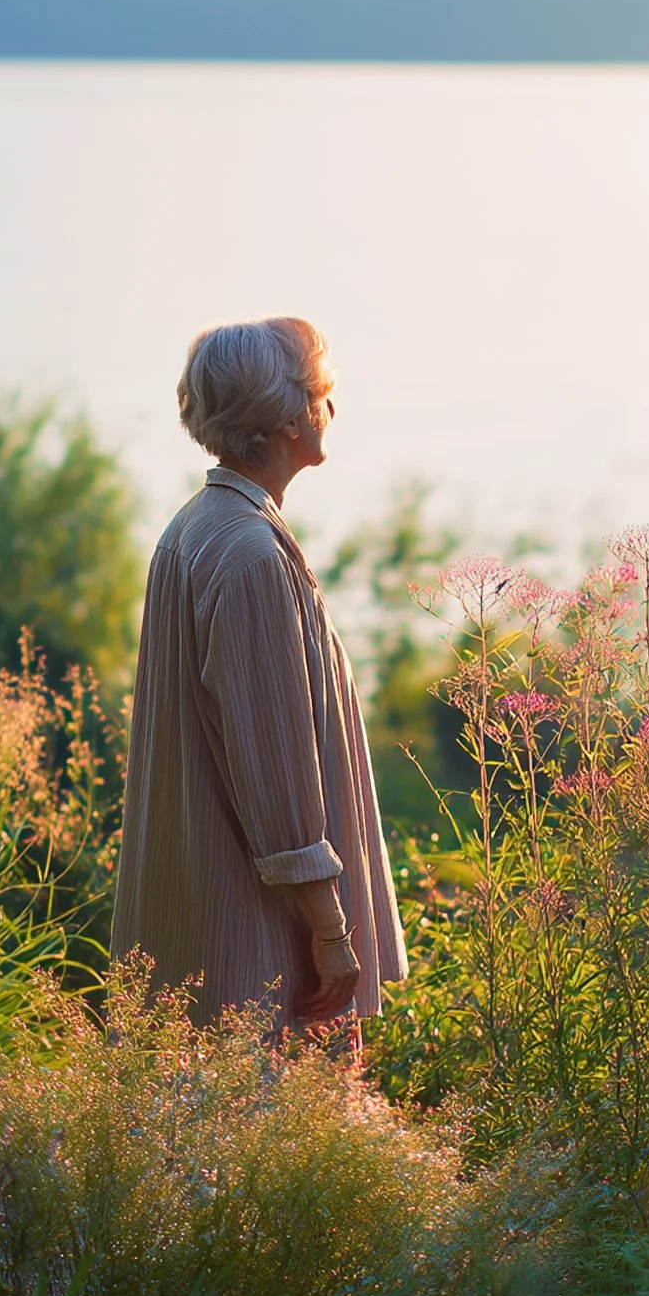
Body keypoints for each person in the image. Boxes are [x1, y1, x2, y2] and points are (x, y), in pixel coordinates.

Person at [112, 317, 407, 1027]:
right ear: (281, 419)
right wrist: (330, 932)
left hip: (202, 914)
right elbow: (277, 772)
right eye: (317, 391)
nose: (329, 407)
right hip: (258, 945)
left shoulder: (200, 526)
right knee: (273, 1130)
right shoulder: (249, 553)